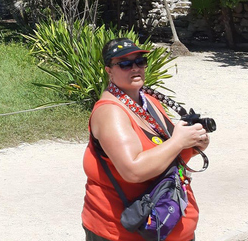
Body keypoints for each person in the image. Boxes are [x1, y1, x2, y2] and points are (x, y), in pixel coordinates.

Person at [81, 38, 210, 241]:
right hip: (123, 232)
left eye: (140, 62)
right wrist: (178, 142)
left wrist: (192, 145)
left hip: (166, 224)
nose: (135, 68)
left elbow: (164, 154)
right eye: (124, 64)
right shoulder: (110, 112)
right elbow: (133, 170)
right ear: (109, 71)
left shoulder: (147, 100)